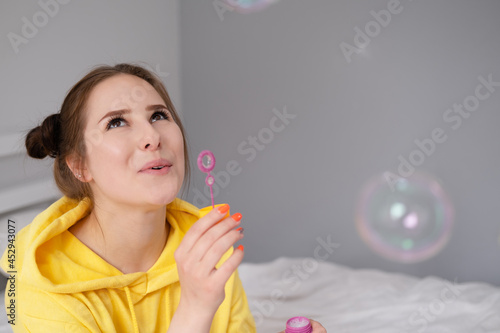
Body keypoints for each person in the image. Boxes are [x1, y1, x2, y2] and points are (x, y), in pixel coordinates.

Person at [1, 63, 326, 332]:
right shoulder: (44, 286)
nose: (152, 136)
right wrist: (196, 308)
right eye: (116, 122)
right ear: (80, 165)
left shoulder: (204, 246)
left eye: (158, 115)